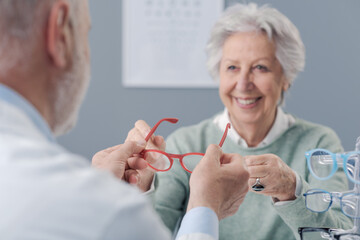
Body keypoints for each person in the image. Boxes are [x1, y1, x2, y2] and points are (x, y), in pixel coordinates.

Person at [0, 0, 250, 239]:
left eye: (260, 67)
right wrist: (206, 206)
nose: (244, 83)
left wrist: (106, 192)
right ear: (61, 33)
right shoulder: (106, 212)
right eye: (86, 34)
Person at [132, 3, 353, 239]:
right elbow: (154, 232)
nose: (243, 83)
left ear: (286, 77)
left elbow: (340, 233)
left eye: (260, 67)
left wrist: (292, 190)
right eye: (232, 67)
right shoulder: (186, 144)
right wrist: (141, 189)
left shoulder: (319, 144)